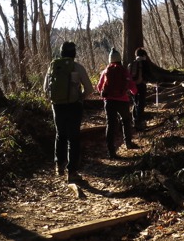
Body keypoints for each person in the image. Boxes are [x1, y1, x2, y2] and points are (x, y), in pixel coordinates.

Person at [43, 41, 94, 183]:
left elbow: (45, 88)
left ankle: (59, 165)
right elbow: (89, 88)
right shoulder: (77, 67)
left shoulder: (52, 67)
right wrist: (80, 97)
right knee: (74, 138)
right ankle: (71, 172)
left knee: (60, 135)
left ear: (61, 52)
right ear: (74, 53)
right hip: (74, 106)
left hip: (57, 106)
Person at [97, 48, 138, 159]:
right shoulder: (124, 71)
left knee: (110, 125)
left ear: (110, 60)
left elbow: (99, 87)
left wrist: (105, 95)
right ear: (119, 59)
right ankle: (128, 143)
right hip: (123, 100)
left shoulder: (106, 71)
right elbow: (132, 85)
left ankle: (111, 151)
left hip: (109, 101)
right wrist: (134, 93)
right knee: (125, 121)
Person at [128, 47, 151, 129]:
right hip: (141, 84)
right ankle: (140, 121)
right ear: (143, 55)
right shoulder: (144, 63)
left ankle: (134, 120)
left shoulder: (132, 63)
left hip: (133, 86)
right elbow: (148, 74)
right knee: (141, 103)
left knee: (135, 102)